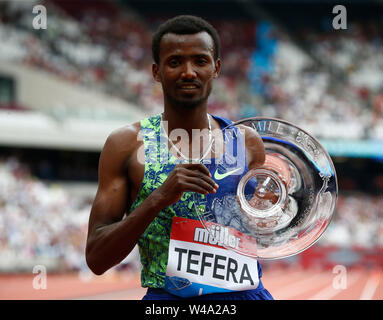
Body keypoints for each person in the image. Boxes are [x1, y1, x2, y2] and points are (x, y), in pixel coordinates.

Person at [86, 15, 273, 300]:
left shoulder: (245, 142)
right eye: (175, 62)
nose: (188, 72)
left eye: (200, 61)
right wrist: (158, 198)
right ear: (156, 71)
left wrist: (275, 208)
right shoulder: (125, 144)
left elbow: (266, 231)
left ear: (216, 68)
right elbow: (97, 259)